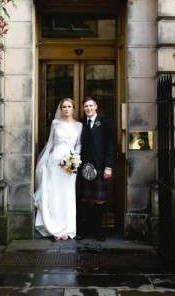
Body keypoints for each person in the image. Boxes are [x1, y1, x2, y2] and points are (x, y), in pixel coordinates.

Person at [34, 98, 83, 241]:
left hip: (70, 163)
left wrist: (75, 158)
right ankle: (53, 228)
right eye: (64, 107)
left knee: (67, 195)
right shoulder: (55, 123)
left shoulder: (79, 125)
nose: (67, 109)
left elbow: (78, 144)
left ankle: (67, 228)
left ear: (73, 108)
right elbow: (50, 143)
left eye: (69, 106)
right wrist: (45, 161)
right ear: (61, 109)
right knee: (54, 193)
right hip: (54, 162)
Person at [77, 96, 113, 241]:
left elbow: (109, 145)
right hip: (84, 167)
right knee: (84, 199)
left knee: (99, 200)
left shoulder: (104, 123)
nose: (89, 108)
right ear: (83, 108)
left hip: (99, 166)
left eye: (91, 106)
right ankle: (84, 230)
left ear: (96, 106)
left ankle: (98, 231)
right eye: (86, 106)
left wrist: (108, 166)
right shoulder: (80, 124)